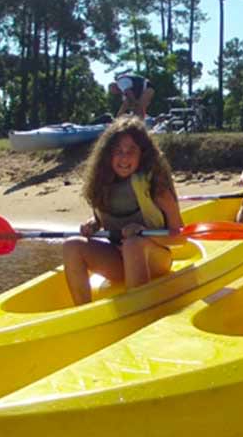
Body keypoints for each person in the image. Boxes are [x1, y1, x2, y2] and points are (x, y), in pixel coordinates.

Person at [62, 117, 183, 305]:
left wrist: (143, 233)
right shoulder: (101, 182)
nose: (124, 158)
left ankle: (137, 311)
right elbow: (102, 219)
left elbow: (180, 237)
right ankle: (82, 312)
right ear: (108, 154)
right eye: (118, 151)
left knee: (133, 244)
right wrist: (93, 224)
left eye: (131, 151)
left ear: (142, 154)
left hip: (155, 259)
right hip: (119, 258)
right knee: (71, 246)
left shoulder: (155, 184)